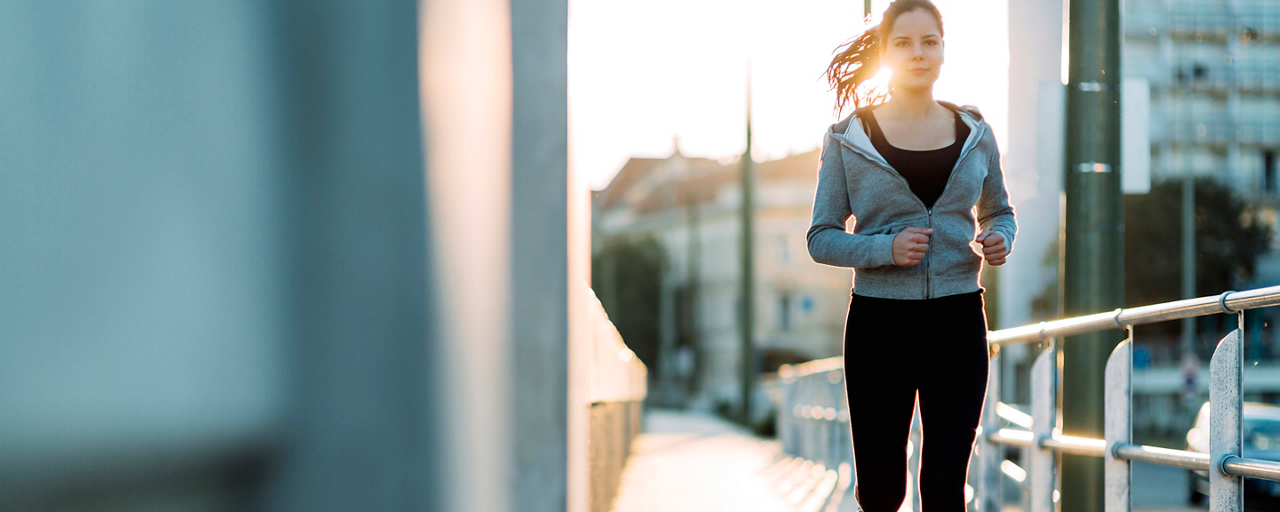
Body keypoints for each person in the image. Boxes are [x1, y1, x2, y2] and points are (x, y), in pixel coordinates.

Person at [805, 1, 1016, 510]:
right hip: (880, 324)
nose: (917, 53)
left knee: (945, 486)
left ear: (943, 50)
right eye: (902, 43)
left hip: (959, 321)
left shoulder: (976, 133)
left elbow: (999, 211)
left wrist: (999, 238)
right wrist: (884, 249)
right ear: (885, 51)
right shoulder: (847, 139)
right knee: (881, 489)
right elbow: (821, 236)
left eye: (929, 41)